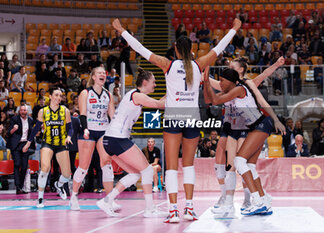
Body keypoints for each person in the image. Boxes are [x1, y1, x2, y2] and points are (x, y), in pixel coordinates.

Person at [112, 17, 242, 223]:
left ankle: (173, 211)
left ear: (175, 48)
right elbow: (220, 46)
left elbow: (141, 49)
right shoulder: (199, 64)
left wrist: (122, 31)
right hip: (191, 119)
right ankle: (189, 209)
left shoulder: (168, 65)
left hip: (173, 118)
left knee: (171, 166)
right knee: (188, 165)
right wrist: (234, 29)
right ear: (192, 49)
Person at [206, 56, 285, 215]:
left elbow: (263, 84)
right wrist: (197, 71)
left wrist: (276, 64)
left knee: (239, 162)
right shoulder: (226, 85)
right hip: (233, 126)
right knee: (242, 165)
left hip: (249, 126)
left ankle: (251, 199)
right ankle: (258, 198)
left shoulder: (246, 84)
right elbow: (210, 86)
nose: (229, 66)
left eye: (232, 65)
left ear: (241, 69)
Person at [95, 67, 166, 217]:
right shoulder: (137, 95)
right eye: (153, 82)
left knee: (135, 173)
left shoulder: (133, 95)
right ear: (145, 82)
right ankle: (149, 209)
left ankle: (107, 201)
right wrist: (176, 90)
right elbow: (160, 104)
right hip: (117, 138)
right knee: (146, 170)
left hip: (111, 140)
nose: (155, 85)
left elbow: (159, 103)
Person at [69, 66, 115, 210]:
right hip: (88, 131)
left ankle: (110, 200)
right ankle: (74, 196)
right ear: (94, 77)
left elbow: (112, 116)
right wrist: (85, 128)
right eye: (99, 73)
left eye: (104, 73)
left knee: (106, 163)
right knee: (84, 166)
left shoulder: (108, 94)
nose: (103, 74)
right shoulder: (85, 93)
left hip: (103, 131)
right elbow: (82, 113)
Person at [23, 87, 73, 208]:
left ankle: (59, 185)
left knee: (67, 175)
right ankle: (40, 198)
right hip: (48, 143)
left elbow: (70, 128)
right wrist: (29, 142)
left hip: (61, 143)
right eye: (56, 95)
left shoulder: (65, 110)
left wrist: (69, 136)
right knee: (45, 168)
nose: (58, 98)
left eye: (60, 96)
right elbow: (36, 128)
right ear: (50, 96)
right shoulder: (43, 111)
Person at [7, 105, 35, 194]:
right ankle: (18, 187)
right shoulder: (14, 119)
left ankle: (21, 186)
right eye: (22, 110)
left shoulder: (30, 120)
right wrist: (14, 129)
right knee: (17, 164)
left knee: (24, 167)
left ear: (27, 111)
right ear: (19, 111)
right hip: (16, 144)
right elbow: (8, 133)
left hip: (25, 144)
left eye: (25, 110)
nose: (23, 112)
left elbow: (32, 133)